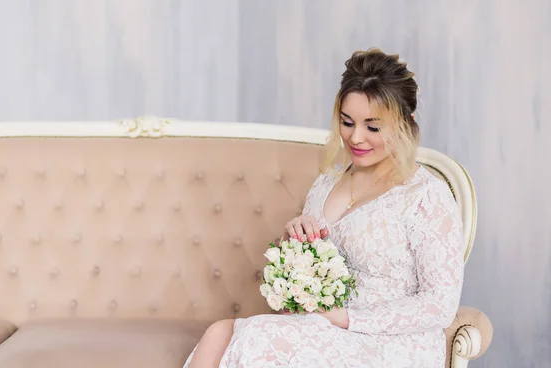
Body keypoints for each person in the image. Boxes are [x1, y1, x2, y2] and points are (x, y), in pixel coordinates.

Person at [183, 48, 464, 367]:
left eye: (373, 127)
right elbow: (306, 284)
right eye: (347, 122)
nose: (356, 137)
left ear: (405, 124)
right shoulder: (327, 183)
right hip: (324, 329)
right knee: (220, 332)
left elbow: (440, 304)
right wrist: (296, 243)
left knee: (258, 337)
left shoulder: (426, 196)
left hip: (390, 343)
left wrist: (348, 319)